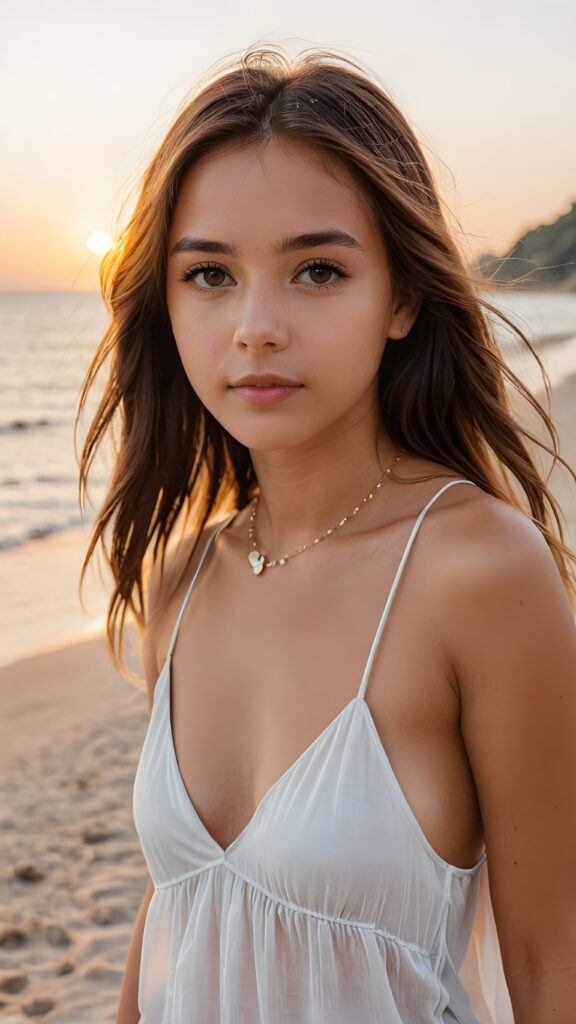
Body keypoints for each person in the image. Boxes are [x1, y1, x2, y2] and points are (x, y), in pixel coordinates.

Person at [77, 46, 576, 1024]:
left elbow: (553, 959)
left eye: (316, 269)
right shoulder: (187, 576)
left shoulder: (478, 571)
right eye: (210, 275)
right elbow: (178, 908)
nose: (256, 326)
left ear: (400, 298)